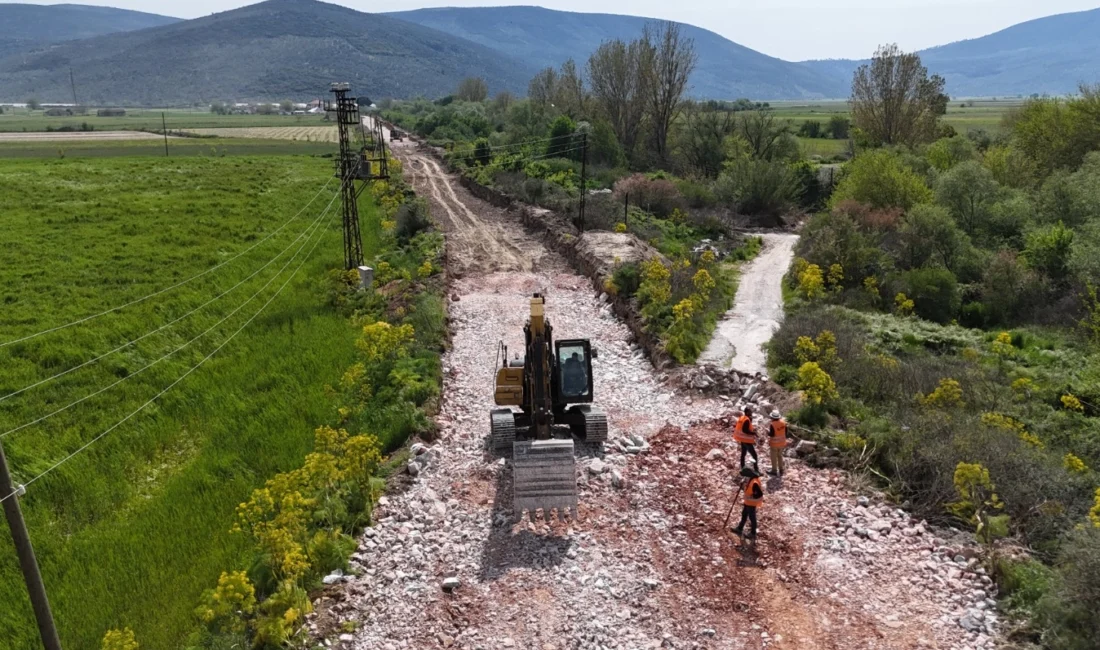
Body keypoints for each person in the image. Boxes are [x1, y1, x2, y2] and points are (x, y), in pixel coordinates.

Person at [732, 462, 764, 539]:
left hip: (751, 503)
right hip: (747, 502)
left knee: (752, 517)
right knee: (744, 514)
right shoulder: (751, 478)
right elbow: (748, 489)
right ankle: (740, 528)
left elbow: (759, 494)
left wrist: (751, 497)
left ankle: (753, 533)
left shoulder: (755, 482)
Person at [767, 409, 787, 476]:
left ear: (772, 417)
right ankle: (781, 470)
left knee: (774, 457)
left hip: (774, 444)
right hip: (782, 443)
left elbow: (772, 434)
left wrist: (767, 433)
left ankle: (774, 470)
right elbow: (785, 432)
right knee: (780, 456)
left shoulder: (772, 424)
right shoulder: (783, 423)